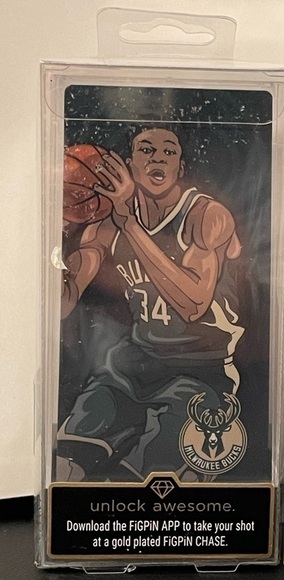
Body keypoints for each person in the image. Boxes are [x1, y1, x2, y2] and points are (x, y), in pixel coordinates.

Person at [57, 127, 244, 482]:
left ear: (180, 168)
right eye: (146, 150)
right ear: (129, 165)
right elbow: (62, 305)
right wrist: (59, 226)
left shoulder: (207, 216)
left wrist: (130, 224)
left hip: (199, 371)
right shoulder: (106, 226)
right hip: (133, 364)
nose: (158, 157)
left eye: (168, 152)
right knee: (64, 467)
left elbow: (193, 304)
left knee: (143, 485)